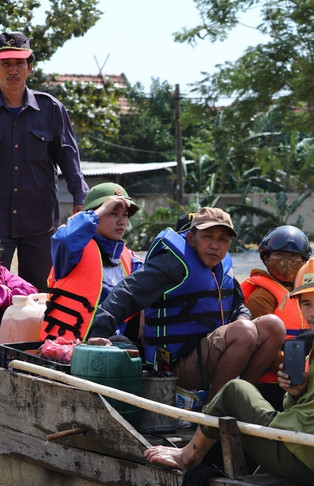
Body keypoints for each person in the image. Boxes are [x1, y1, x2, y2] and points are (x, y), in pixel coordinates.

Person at [144, 257, 314, 486]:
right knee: (248, 395)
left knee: (233, 390)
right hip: (309, 449)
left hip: (301, 454)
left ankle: (188, 457)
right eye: (307, 304)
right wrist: (295, 391)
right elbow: (305, 407)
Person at [86, 207, 286, 400]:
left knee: (273, 326)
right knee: (245, 331)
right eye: (208, 236)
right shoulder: (172, 264)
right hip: (177, 366)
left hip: (214, 357)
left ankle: (239, 395)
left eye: (222, 239)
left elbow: (237, 304)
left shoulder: (221, 267)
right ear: (191, 238)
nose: (215, 245)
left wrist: (242, 317)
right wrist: (99, 331)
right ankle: (212, 411)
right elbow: (127, 293)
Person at [0, 32, 87, 291]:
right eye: (5, 63)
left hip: (39, 223)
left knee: (40, 296)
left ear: (30, 67)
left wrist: (80, 201)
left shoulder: (51, 109)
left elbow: (69, 158)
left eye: (19, 63)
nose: (12, 70)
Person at [41, 182, 143, 342]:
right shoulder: (73, 251)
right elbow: (64, 239)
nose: (122, 221)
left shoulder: (127, 257)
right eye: (113, 213)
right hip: (68, 349)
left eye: (125, 215)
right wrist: (100, 211)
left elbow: (153, 278)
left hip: (109, 346)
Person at [240, 225, 311, 409]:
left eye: (294, 257)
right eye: (279, 256)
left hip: (301, 376)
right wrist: (305, 368)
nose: (287, 262)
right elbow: (261, 349)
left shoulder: (309, 294)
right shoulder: (262, 296)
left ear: (304, 261)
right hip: (273, 384)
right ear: (266, 258)